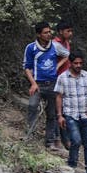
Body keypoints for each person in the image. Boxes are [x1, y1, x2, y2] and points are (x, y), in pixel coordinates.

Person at [54, 50, 87, 173]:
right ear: (70, 63)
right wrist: (60, 115)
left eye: (80, 63)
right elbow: (59, 96)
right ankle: (72, 164)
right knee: (76, 140)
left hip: (85, 115)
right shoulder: (63, 77)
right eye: (76, 63)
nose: (78, 65)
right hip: (70, 115)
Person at [24, 21, 62, 151]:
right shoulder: (31, 48)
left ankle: (50, 141)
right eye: (45, 32)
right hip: (38, 84)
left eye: (49, 32)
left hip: (52, 84)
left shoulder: (55, 46)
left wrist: (57, 66)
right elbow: (27, 68)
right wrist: (33, 83)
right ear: (39, 34)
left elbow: (66, 55)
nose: (48, 34)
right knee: (32, 106)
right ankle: (30, 136)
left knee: (52, 113)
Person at [52, 21, 74, 150]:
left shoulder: (66, 43)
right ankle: (59, 140)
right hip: (57, 81)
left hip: (66, 80)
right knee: (58, 111)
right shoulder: (56, 44)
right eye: (68, 31)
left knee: (65, 111)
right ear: (60, 31)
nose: (70, 34)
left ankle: (66, 138)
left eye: (71, 31)